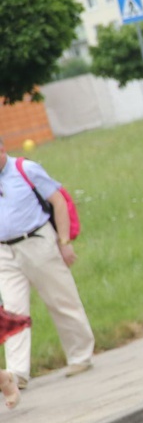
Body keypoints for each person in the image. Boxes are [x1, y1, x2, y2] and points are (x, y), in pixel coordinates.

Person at [0, 137, 95, 389]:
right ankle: (16, 374)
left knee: (61, 299)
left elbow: (58, 201)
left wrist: (64, 242)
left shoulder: (25, 169)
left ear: (2, 149)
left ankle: (80, 355)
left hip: (37, 242)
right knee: (12, 311)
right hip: (5, 251)